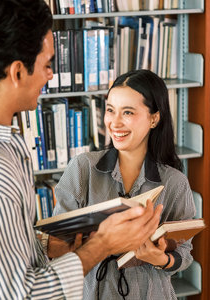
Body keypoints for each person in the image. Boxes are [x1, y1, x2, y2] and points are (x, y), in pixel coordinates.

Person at [0, 1, 163, 299]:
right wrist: (102, 245)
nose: (50, 75)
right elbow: (21, 295)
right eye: (46, 64)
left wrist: (45, 247)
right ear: (18, 72)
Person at [51, 69, 196, 299]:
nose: (114, 122)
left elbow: (184, 252)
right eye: (110, 110)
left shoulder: (175, 182)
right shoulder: (82, 168)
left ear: (154, 118)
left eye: (127, 112)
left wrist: (161, 259)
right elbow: (57, 244)